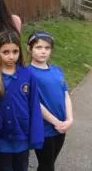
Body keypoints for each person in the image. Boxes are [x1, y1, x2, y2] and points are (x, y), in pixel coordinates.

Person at [0, 31, 44, 171]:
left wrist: (36, 136)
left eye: (15, 51)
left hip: (21, 135)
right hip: (0, 136)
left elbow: (34, 107)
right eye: (6, 52)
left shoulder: (28, 76)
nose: (11, 56)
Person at [26, 31, 74, 171]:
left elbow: (65, 94)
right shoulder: (27, 73)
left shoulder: (56, 70)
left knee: (51, 162)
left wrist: (69, 119)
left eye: (47, 48)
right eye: (39, 47)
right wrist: (55, 122)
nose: (43, 52)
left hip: (61, 127)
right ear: (29, 48)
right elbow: (34, 102)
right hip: (44, 128)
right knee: (46, 164)